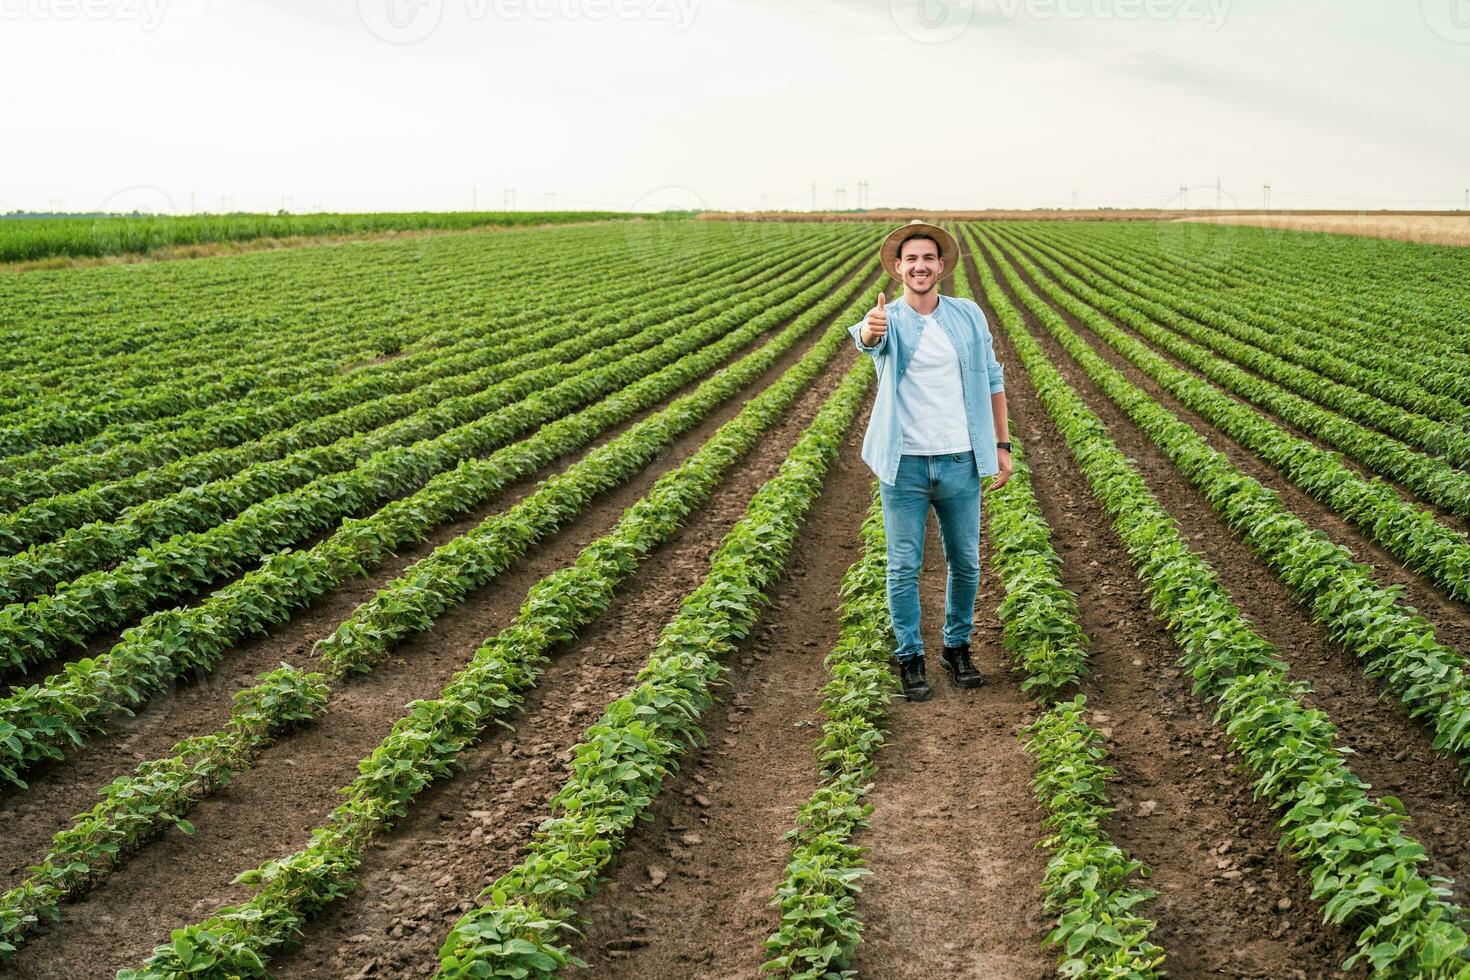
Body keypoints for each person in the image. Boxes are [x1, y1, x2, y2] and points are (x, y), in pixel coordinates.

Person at [847, 220, 1011, 702]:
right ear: (898, 268)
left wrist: (1002, 446)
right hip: (906, 466)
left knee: (967, 563)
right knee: (903, 566)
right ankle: (909, 655)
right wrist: (870, 329)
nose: (920, 266)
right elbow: (867, 338)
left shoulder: (968, 316)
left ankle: (956, 647)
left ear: (941, 267)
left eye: (928, 258)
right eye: (910, 259)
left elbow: (993, 379)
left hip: (961, 461)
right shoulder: (886, 319)